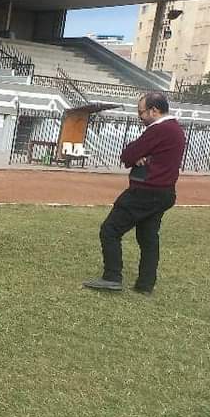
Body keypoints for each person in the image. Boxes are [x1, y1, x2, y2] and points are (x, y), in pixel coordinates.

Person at [82, 92, 186, 295]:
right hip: (164, 192)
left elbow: (128, 154)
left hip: (145, 191)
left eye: (141, 112)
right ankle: (145, 284)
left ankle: (112, 277)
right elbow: (137, 154)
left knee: (110, 230)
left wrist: (138, 155)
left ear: (154, 111)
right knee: (148, 238)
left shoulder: (159, 129)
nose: (140, 117)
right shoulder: (175, 129)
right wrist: (142, 155)